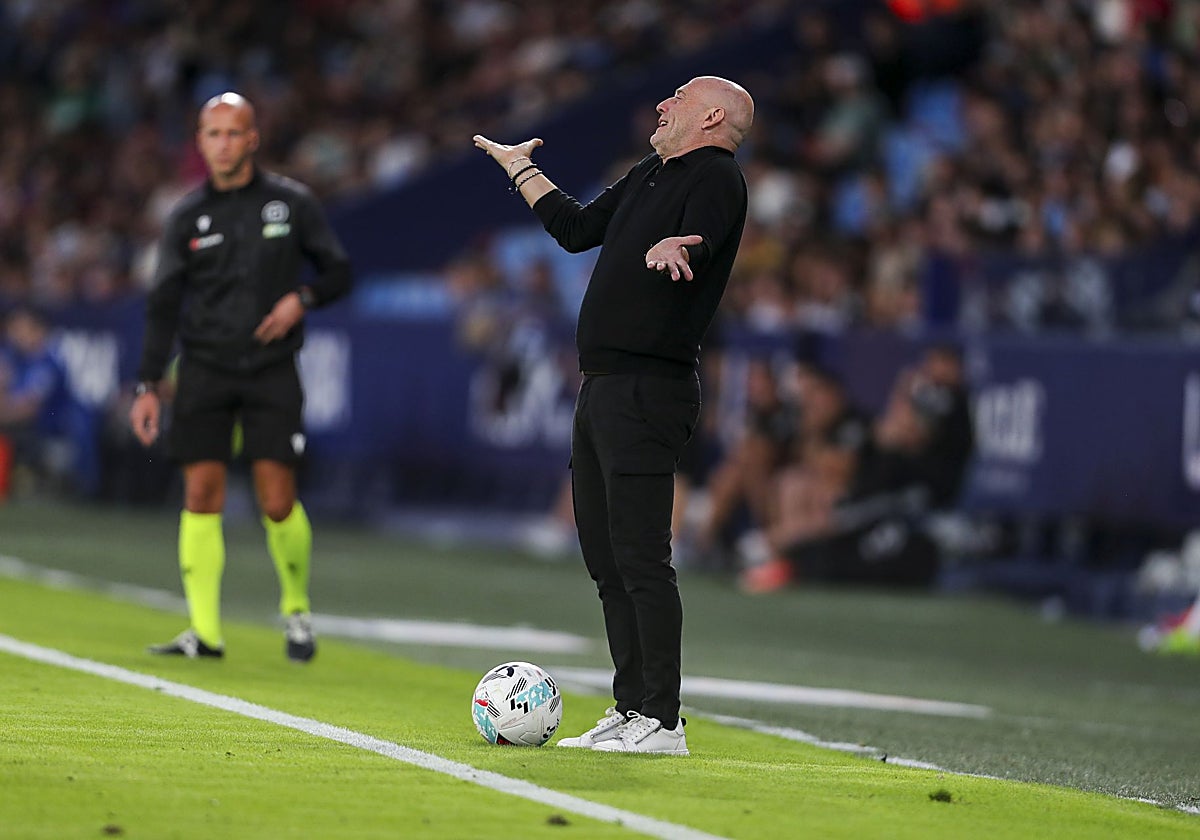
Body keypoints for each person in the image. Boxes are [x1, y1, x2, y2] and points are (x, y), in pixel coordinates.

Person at [473, 75, 754, 754]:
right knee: (606, 558)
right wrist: (523, 170)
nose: (661, 105)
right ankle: (631, 708)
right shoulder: (652, 171)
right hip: (602, 387)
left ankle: (662, 719)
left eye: (678, 99)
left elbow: (706, 237)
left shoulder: (717, 177)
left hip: (648, 388)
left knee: (641, 557)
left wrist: (682, 247)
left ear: (711, 116)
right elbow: (576, 231)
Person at [129, 92, 352, 662]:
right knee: (200, 492)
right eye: (213, 133)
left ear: (253, 138)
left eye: (234, 133)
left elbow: (339, 271)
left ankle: (297, 609)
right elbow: (163, 304)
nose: (223, 143)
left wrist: (301, 298)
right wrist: (149, 384)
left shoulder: (291, 203)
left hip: (270, 370)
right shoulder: (185, 216)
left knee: (276, 498)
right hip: (203, 369)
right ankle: (205, 634)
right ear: (200, 142)